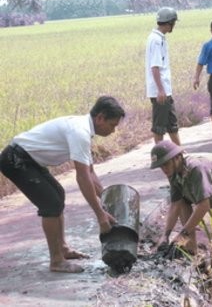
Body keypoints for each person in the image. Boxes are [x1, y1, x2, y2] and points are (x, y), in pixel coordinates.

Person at [0, 96, 125, 273]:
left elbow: (90, 173)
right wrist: (100, 215)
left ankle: (63, 249)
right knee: (51, 203)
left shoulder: (84, 130)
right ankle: (56, 261)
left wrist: (107, 202)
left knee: (58, 195)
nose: (113, 131)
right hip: (15, 159)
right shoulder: (79, 132)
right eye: (112, 125)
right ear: (100, 118)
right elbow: (82, 178)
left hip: (30, 160)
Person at [145, 7, 181, 145]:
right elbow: (155, 66)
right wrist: (160, 90)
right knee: (159, 126)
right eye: (174, 23)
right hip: (160, 90)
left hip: (164, 89)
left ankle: (179, 152)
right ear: (169, 22)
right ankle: (160, 155)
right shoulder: (155, 40)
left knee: (172, 123)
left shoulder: (159, 38)